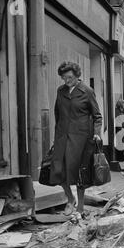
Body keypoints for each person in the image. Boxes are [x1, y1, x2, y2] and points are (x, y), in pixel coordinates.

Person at [50, 62, 103, 216]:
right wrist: (57, 135)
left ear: (77, 75)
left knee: (80, 172)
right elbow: (57, 113)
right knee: (58, 171)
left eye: (70, 77)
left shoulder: (86, 91)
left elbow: (97, 116)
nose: (67, 81)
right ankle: (70, 198)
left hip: (81, 139)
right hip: (62, 137)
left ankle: (80, 206)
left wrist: (97, 132)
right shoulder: (61, 91)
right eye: (63, 78)